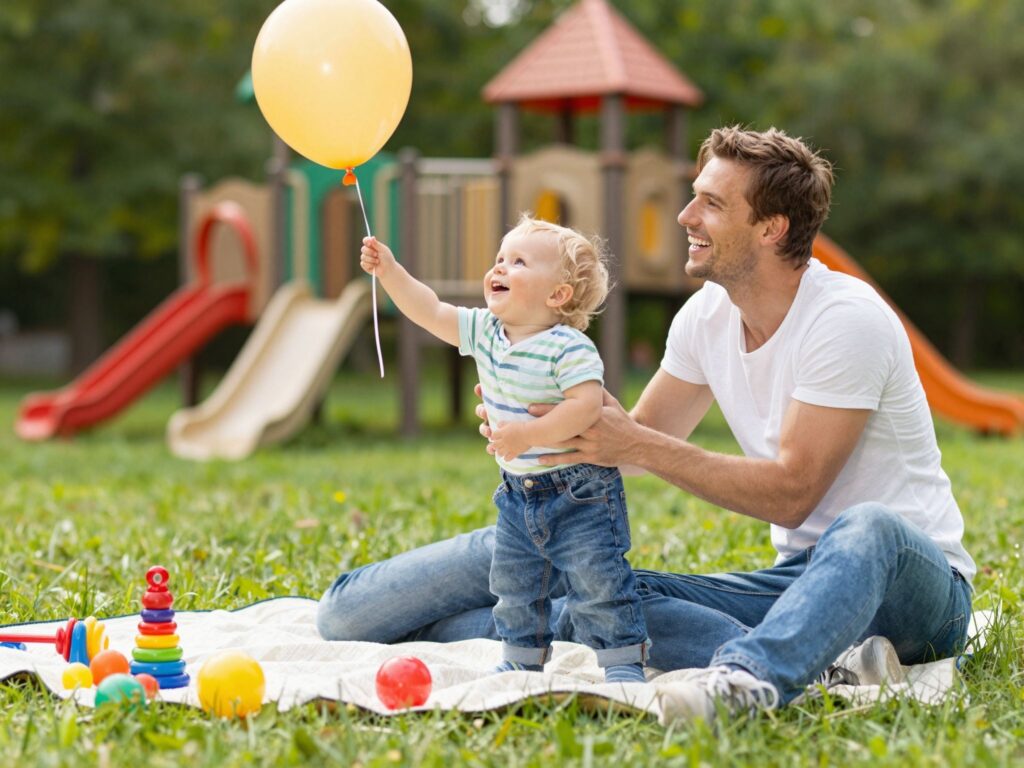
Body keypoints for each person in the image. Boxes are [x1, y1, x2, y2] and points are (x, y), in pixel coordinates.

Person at [319, 126, 974, 723]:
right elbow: (626, 448)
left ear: (772, 227)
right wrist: (542, 418)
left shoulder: (844, 320)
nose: (686, 215)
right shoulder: (705, 319)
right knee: (604, 595)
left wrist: (631, 442)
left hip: (912, 588)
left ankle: (748, 681)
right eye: (695, 197)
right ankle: (827, 664)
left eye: (712, 204)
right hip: (798, 581)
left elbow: (792, 490)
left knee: (869, 527)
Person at [355, 216, 650, 683]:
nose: (499, 268)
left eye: (518, 262)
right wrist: (389, 271)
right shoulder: (486, 332)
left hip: (581, 493)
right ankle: (521, 657)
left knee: (599, 580)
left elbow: (587, 406)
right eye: (499, 259)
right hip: (517, 491)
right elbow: (429, 310)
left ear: (557, 295)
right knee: (513, 581)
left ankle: (622, 663)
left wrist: (528, 434)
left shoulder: (568, 347)